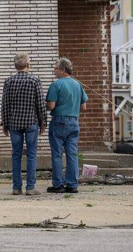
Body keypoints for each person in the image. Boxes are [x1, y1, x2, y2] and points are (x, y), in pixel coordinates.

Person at [1, 53, 46, 196]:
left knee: (16, 155)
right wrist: (43, 121)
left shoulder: (9, 81)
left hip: (14, 123)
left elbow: (5, 104)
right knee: (31, 155)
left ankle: (16, 187)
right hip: (31, 122)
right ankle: (30, 187)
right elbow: (40, 103)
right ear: (28, 64)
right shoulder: (34, 81)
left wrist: (5, 123)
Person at [46, 57, 88, 194]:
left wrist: (46, 106)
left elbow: (51, 105)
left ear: (63, 70)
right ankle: (72, 184)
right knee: (72, 154)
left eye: (56, 68)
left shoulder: (56, 85)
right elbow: (84, 107)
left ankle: (58, 184)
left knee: (57, 154)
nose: (54, 71)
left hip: (59, 121)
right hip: (74, 121)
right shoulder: (77, 85)